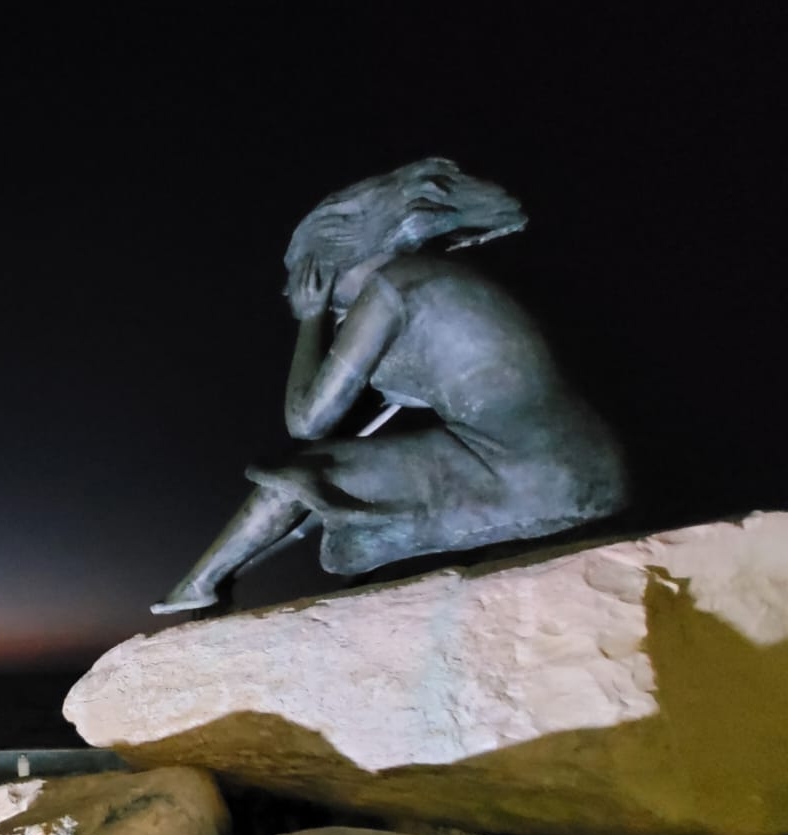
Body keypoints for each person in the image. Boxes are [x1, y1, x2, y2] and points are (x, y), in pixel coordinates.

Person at [152, 159, 628, 615]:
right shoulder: (437, 278)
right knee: (336, 479)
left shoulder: (389, 289)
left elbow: (306, 420)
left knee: (305, 471)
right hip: (579, 463)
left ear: (328, 269)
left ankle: (197, 586)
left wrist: (310, 318)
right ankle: (215, 580)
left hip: (528, 472)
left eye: (308, 281)